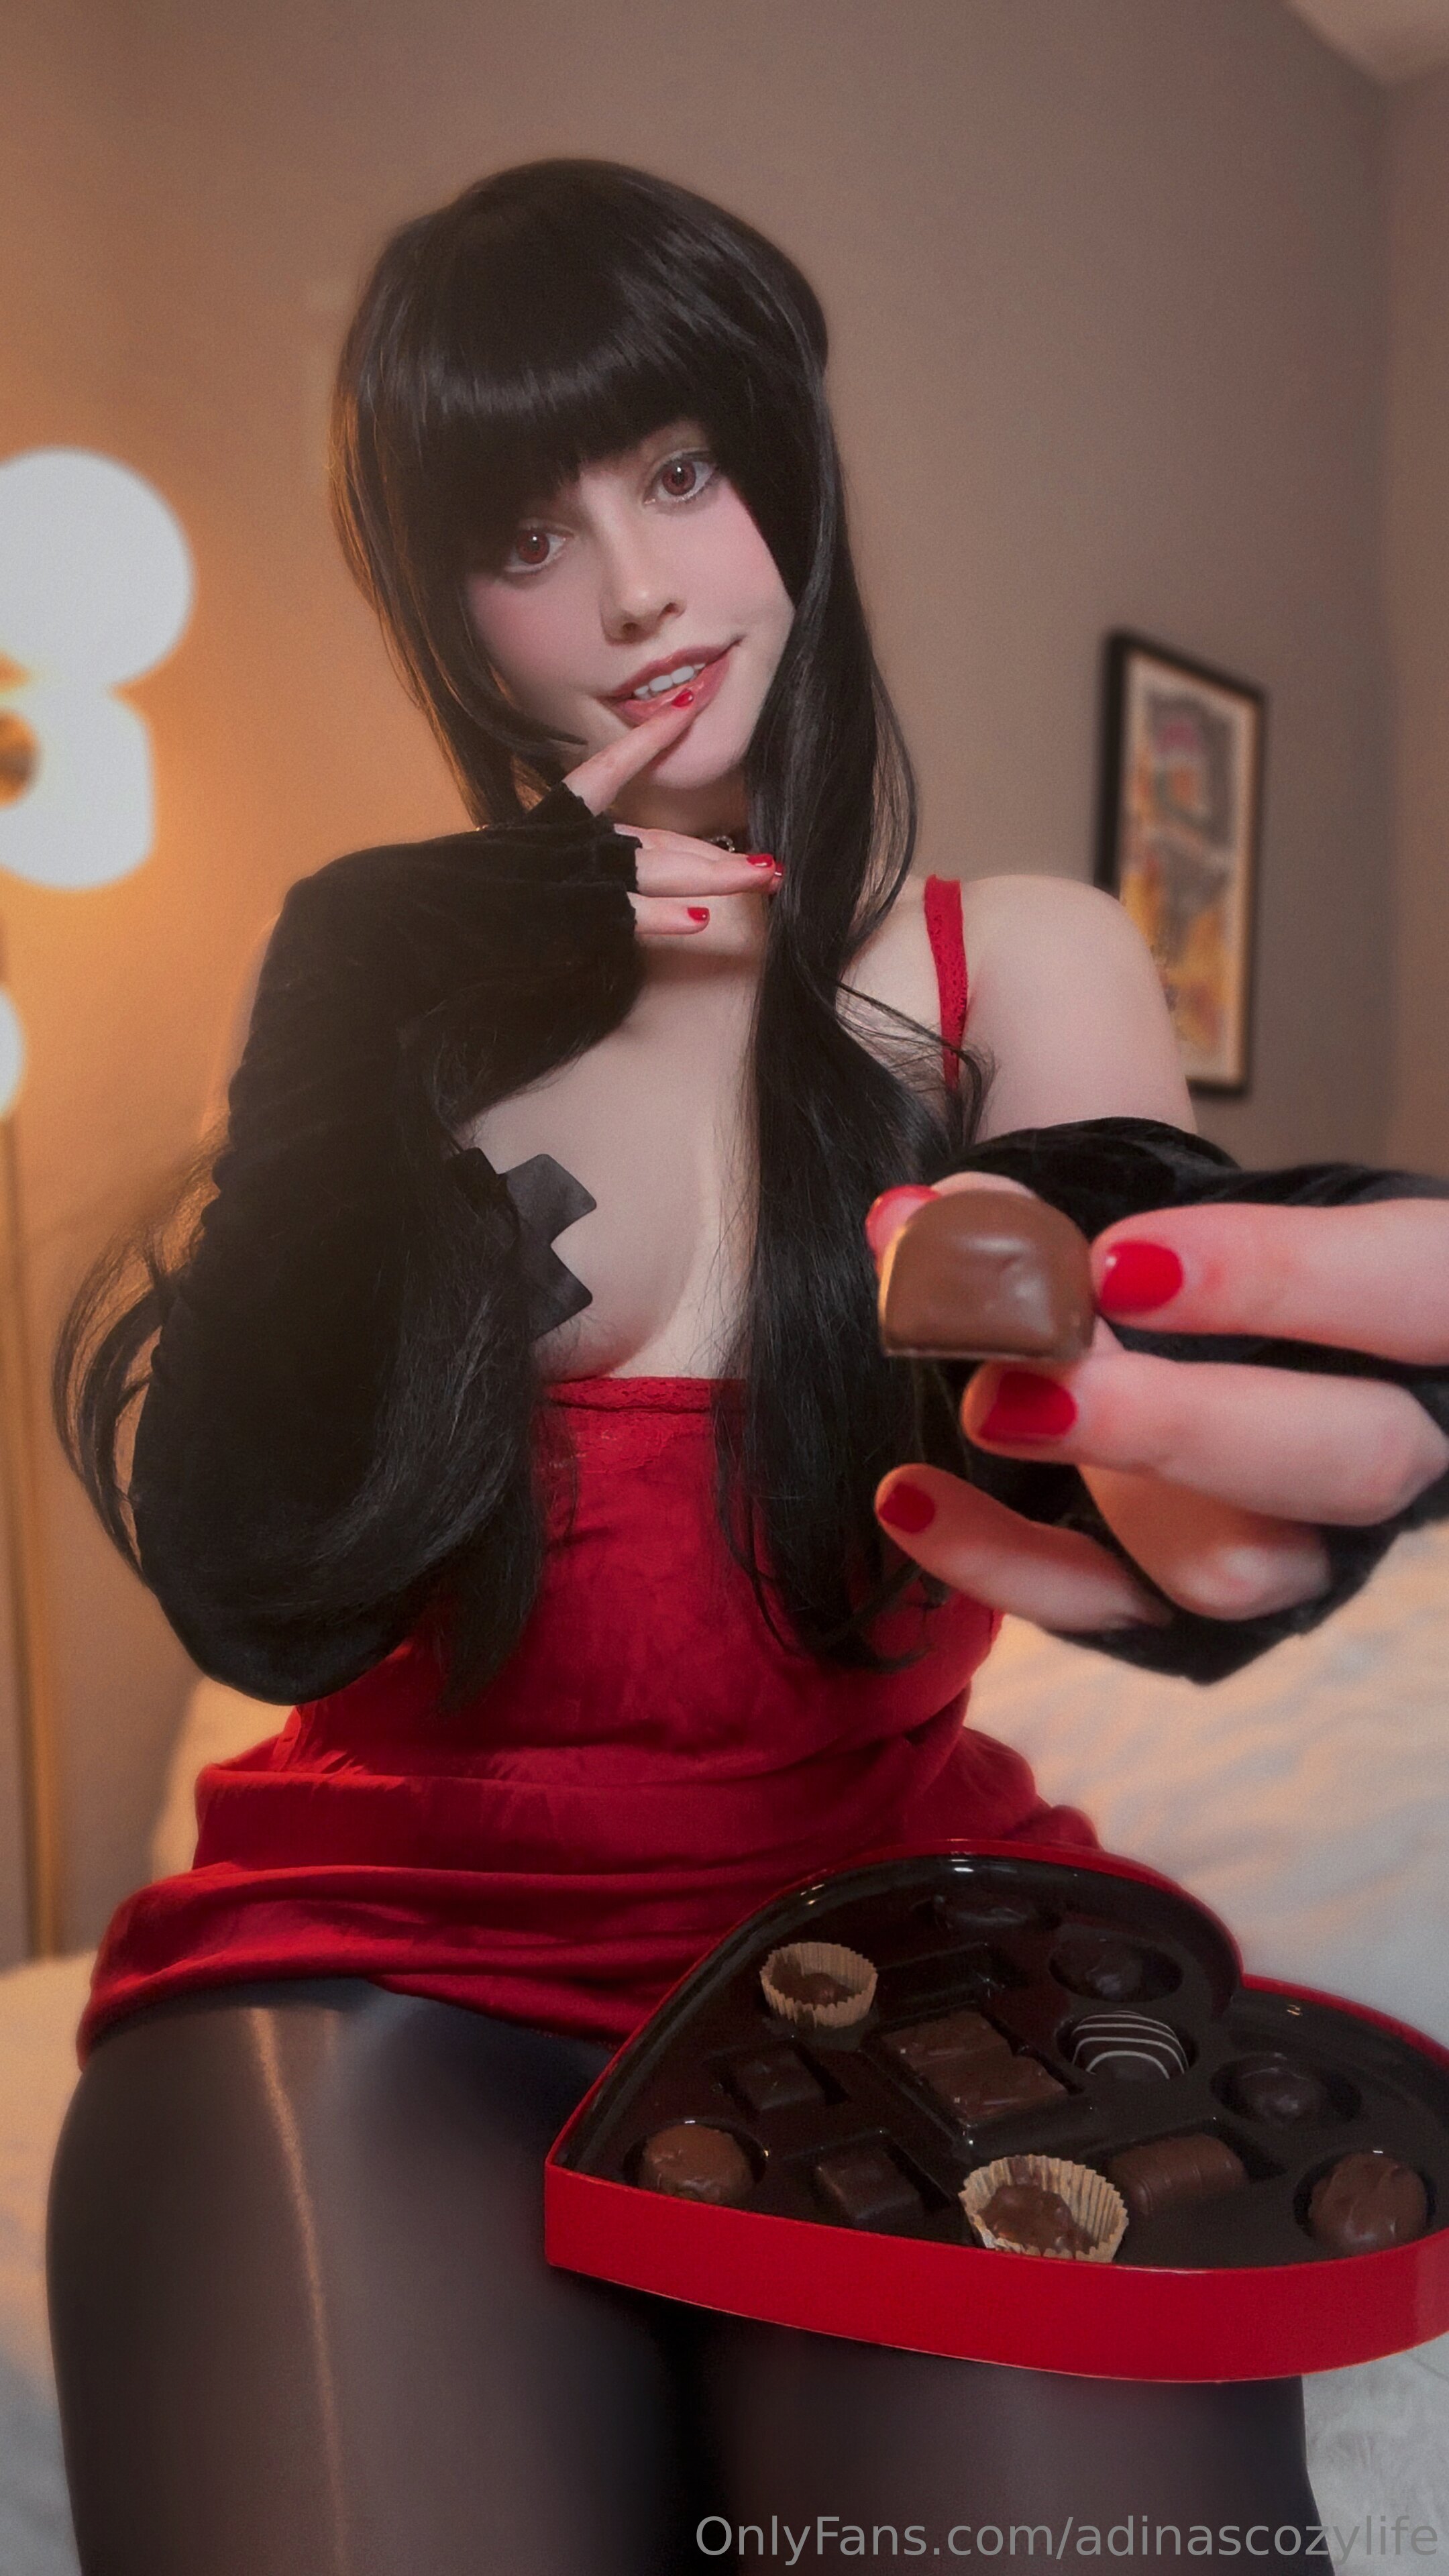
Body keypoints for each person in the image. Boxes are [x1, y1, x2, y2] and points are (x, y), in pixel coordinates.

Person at [44, 160, 1449, 2576]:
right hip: (376, 1965)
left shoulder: (1021, 964)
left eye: (682, 472)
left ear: (783, 471)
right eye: (528, 535)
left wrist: (1218, 1479)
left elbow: (1115, 1309)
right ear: (446, 608)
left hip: (905, 1939)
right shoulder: (384, 1006)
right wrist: (339, 1014)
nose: (634, 592)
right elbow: (258, 1583)